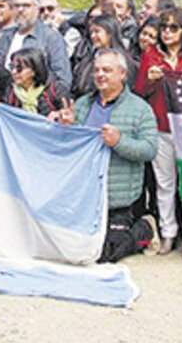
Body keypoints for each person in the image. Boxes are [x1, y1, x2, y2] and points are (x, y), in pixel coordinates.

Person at [54, 48, 160, 263]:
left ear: (122, 73)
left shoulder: (140, 109)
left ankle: (145, 228)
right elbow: (71, 145)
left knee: (105, 254)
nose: (101, 75)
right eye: (97, 70)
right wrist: (67, 126)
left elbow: (150, 150)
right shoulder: (83, 104)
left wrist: (119, 142)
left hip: (117, 200)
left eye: (107, 70)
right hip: (86, 197)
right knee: (74, 248)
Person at [134, 7, 182, 262]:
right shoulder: (151, 55)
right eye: (163, 27)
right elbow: (139, 92)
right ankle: (168, 232)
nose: (166, 32)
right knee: (164, 185)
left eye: (173, 27)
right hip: (160, 128)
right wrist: (151, 78)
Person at [0, 0, 72, 89]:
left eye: (26, 6)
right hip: (6, 100)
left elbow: (62, 79)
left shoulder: (51, 38)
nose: (20, 10)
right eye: (17, 6)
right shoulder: (6, 37)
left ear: (37, 9)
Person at [71, 14, 134, 99]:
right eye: (91, 32)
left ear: (110, 33)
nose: (93, 36)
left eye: (97, 31)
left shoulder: (122, 60)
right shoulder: (90, 56)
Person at [0, 47, 71, 116]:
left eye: (19, 68)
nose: (14, 72)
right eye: (12, 67)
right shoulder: (10, 91)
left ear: (34, 70)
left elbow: (67, 117)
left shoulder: (56, 90)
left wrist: (58, 116)